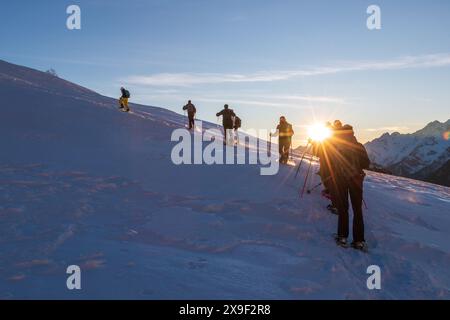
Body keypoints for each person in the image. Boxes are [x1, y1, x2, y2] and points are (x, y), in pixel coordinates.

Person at [328, 124, 370, 251]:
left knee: (343, 208)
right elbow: (366, 164)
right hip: (356, 180)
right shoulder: (359, 146)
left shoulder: (338, 147)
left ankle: (342, 237)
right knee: (357, 210)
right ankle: (359, 241)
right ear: (352, 133)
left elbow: (332, 164)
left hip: (341, 180)